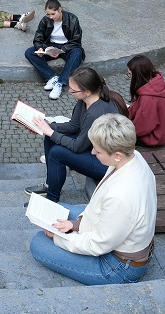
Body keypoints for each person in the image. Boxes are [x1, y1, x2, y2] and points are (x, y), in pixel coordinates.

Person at [29, 114, 157, 285]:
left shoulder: (121, 196)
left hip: (119, 266)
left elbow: (98, 245)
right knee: (60, 210)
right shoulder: (133, 157)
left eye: (98, 150)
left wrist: (59, 238)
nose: (92, 152)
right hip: (118, 235)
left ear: (117, 154)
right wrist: (75, 226)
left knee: (39, 243)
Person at [25, 67, 121, 202]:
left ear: (87, 91)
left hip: (107, 164)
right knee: (50, 138)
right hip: (93, 149)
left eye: (73, 90)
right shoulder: (85, 100)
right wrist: (47, 126)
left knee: (57, 153)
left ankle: (51, 200)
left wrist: (51, 132)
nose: (69, 91)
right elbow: (73, 126)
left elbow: (78, 147)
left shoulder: (96, 113)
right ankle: (50, 185)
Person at [24, 0, 84, 100]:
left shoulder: (73, 19)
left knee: (77, 53)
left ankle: (60, 83)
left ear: (60, 10)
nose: (51, 17)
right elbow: (38, 37)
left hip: (67, 47)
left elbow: (76, 41)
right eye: (48, 14)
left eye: (53, 14)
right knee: (29, 52)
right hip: (51, 46)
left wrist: (62, 50)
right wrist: (41, 48)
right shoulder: (45, 20)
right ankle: (52, 77)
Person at [126, 54, 165, 147]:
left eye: (130, 74)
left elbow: (143, 126)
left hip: (154, 137)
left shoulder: (148, 98)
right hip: (164, 130)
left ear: (138, 75)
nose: (129, 77)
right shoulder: (159, 84)